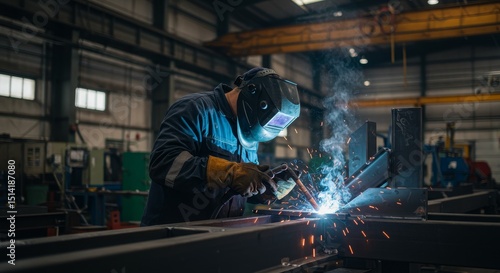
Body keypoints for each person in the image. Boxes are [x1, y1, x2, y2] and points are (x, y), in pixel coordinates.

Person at [141, 67, 301, 225]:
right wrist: (229, 173)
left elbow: (236, 188)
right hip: (173, 235)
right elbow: (163, 164)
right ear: (251, 93)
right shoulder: (196, 109)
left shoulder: (248, 133)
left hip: (220, 237)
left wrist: (265, 188)